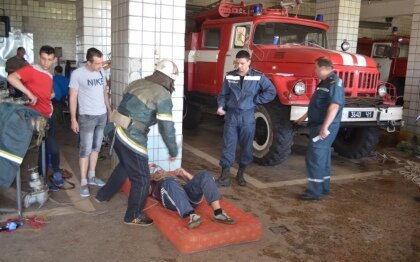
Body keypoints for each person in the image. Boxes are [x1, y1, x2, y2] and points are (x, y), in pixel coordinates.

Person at [96, 59, 179, 226]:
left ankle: (102, 195)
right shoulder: (163, 95)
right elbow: (166, 127)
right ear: (170, 78)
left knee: (126, 165)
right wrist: (173, 150)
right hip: (131, 136)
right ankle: (133, 216)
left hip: (113, 129)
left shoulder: (138, 83)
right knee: (142, 178)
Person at [7, 45, 65, 189]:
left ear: (54, 60)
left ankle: (51, 173)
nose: (46, 63)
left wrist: (51, 94)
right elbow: (11, 78)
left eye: (50, 60)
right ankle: (44, 176)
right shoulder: (31, 70)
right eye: (44, 59)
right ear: (39, 57)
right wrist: (30, 93)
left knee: (49, 148)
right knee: (44, 149)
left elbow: (49, 92)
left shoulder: (49, 75)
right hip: (36, 118)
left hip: (49, 115)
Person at [216, 50, 276, 187]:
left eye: (242, 63)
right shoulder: (230, 76)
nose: (239, 66)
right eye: (237, 63)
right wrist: (220, 106)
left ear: (249, 62)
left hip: (248, 116)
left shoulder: (258, 77)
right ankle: (224, 177)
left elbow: (271, 91)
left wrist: (256, 100)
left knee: (246, 147)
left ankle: (240, 174)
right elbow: (223, 94)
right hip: (231, 115)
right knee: (228, 145)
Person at [295, 57, 345, 200]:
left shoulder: (334, 83)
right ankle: (323, 187)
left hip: (323, 126)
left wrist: (325, 127)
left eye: (316, 68)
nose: (315, 70)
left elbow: (334, 106)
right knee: (322, 156)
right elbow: (319, 104)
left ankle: (313, 192)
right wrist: (304, 116)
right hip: (318, 124)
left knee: (314, 157)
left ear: (323, 68)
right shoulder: (326, 82)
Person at [69, 48, 112, 197]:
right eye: (98, 63)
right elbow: (73, 97)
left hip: (101, 115)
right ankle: (83, 182)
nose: (101, 65)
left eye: (102, 62)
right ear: (89, 62)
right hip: (86, 117)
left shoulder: (101, 72)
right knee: (85, 149)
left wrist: (109, 110)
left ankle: (92, 177)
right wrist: (73, 119)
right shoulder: (77, 74)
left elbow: (104, 92)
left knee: (96, 147)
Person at [149, 166, 235, 229]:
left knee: (204, 174)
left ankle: (218, 213)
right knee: (169, 182)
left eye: (158, 169)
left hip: (189, 197)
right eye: (154, 171)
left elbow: (199, 182)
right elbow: (144, 190)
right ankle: (192, 215)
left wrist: (185, 174)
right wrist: (147, 178)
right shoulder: (154, 183)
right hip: (173, 200)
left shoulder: (175, 176)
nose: (158, 171)